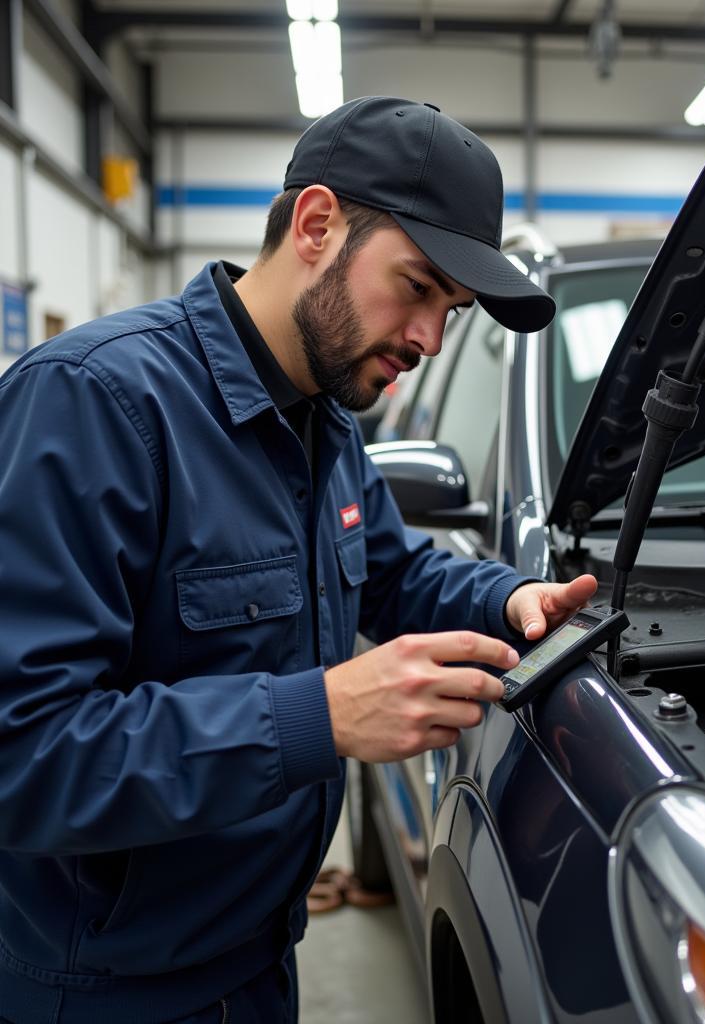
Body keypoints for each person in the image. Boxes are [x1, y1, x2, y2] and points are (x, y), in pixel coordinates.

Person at [0, 96, 598, 1024]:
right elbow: (21, 753)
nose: (430, 341)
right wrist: (314, 717)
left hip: (257, 963)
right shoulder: (95, 406)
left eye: (454, 308)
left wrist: (515, 596)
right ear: (317, 224)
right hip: (106, 995)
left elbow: (395, 574)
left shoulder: (323, 413)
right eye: (418, 285)